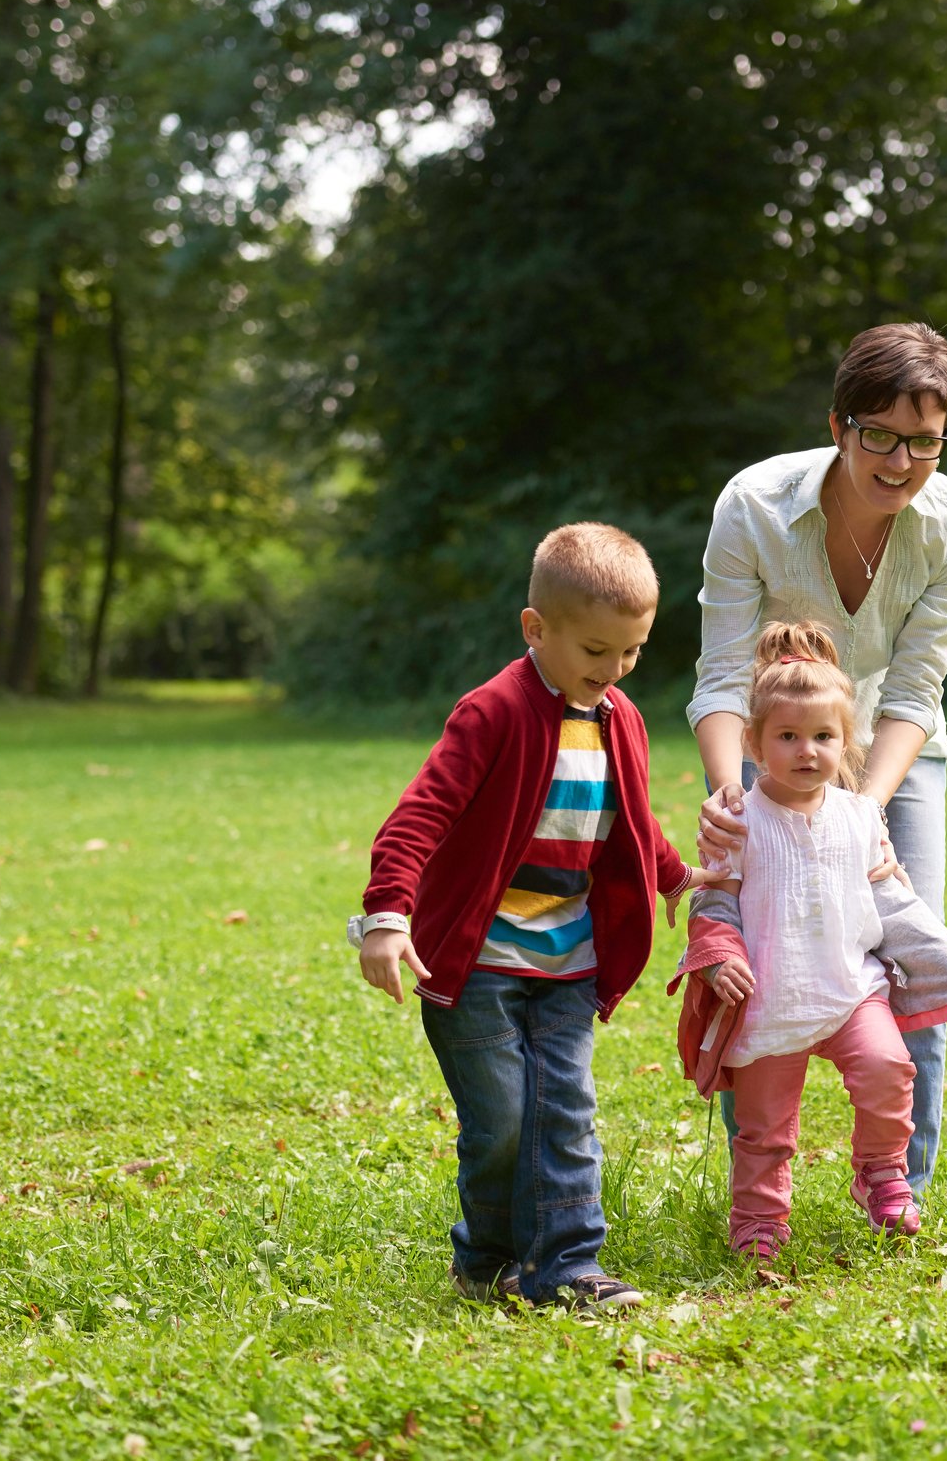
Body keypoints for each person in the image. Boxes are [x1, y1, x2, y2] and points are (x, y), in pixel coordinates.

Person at [349, 522, 718, 1311]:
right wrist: (386, 917)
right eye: (595, 652)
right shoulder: (492, 714)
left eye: (632, 653)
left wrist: (676, 876)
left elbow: (631, 815)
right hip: (476, 961)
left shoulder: (620, 718)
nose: (614, 671)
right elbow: (419, 818)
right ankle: (486, 1259)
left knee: (565, 1114)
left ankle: (568, 1268)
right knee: (505, 1125)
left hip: (568, 962)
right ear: (536, 628)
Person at [688, 322, 947, 1194]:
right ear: (838, 426)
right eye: (880, 436)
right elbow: (719, 676)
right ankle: (757, 1188)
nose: (900, 462)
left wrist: (865, 814)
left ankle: (902, 1187)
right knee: (759, 960)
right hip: (774, 749)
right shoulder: (753, 507)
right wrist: (727, 792)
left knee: (912, 948)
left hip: (893, 751)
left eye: (924, 441)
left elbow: (913, 696)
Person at [671, 622, 947, 1260]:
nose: (807, 750)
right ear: (755, 741)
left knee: (891, 1069)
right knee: (764, 1130)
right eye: (787, 736)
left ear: (847, 744)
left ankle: (880, 1173)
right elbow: (713, 899)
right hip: (770, 1000)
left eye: (823, 736)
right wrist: (720, 957)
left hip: (850, 988)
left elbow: (892, 900)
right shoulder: (738, 823)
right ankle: (759, 1221)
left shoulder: (860, 817)